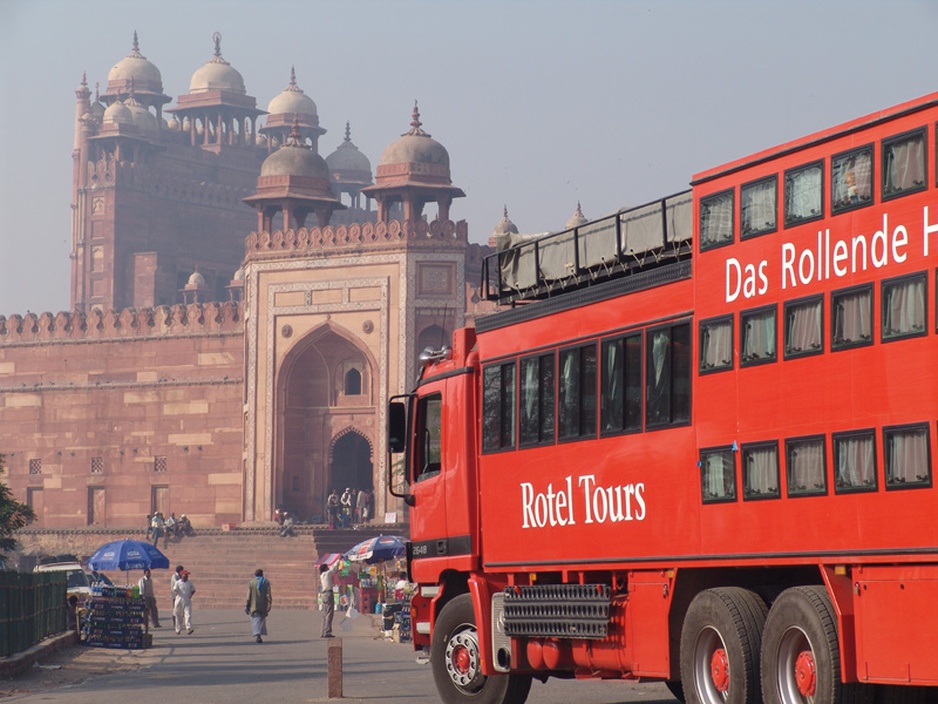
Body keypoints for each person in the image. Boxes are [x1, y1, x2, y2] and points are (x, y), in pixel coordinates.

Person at [245, 568, 272, 643]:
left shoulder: (251, 582)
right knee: (261, 620)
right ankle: (260, 633)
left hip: (253, 604)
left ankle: (257, 634)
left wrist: (247, 604)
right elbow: (268, 595)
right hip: (263, 604)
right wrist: (269, 604)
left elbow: (248, 595)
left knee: (255, 620)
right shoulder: (266, 582)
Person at [319, 560, 340, 638]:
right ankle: (327, 632)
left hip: (324, 594)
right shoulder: (327, 574)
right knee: (329, 613)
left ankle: (323, 631)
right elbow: (333, 568)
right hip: (328, 593)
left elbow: (331, 568)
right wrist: (338, 560)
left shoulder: (322, 575)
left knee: (324, 614)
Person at [172, 569, 196, 635]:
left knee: (188, 615)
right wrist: (177, 593)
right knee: (178, 616)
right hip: (179, 601)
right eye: (185, 574)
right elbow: (175, 589)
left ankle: (188, 628)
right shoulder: (178, 582)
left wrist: (190, 595)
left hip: (187, 600)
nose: (186, 576)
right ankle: (178, 629)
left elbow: (193, 590)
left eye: (187, 575)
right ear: (182, 575)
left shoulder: (189, 583)